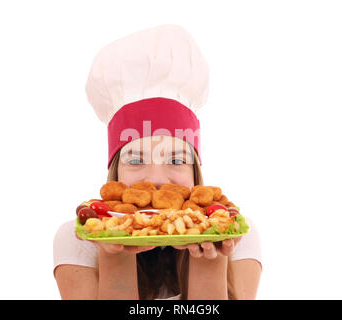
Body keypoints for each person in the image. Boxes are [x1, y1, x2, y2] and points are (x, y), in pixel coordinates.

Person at [53, 24, 262, 300]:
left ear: (196, 173)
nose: (157, 179)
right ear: (115, 172)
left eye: (176, 159)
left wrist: (208, 258)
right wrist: (114, 250)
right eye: (136, 160)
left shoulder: (235, 234)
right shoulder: (78, 238)